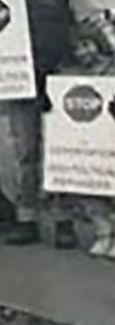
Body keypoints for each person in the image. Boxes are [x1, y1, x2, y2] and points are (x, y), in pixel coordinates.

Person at [0, 0, 114, 245]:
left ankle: (64, 222)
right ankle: (27, 219)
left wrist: (109, 46)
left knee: (61, 149)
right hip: (19, 75)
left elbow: (89, 18)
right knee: (25, 149)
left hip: (63, 72)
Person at [45, 19, 115, 256]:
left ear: (98, 43)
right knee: (87, 186)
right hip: (84, 141)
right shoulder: (66, 74)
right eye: (77, 48)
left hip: (110, 136)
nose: (83, 52)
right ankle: (103, 231)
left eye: (87, 45)